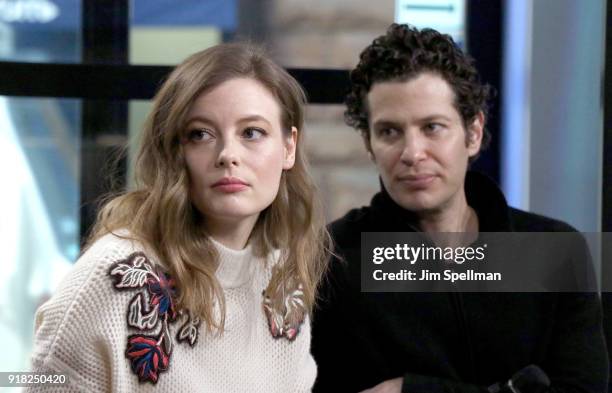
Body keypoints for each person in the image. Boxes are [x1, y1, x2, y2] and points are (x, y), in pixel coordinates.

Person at [311, 24, 608, 393]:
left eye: (432, 127)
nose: (412, 153)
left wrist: (411, 390)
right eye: (389, 132)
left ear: (473, 133)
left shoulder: (554, 252)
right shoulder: (333, 258)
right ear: (369, 144)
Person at [27, 42, 331, 392]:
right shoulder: (111, 275)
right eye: (200, 134)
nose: (228, 155)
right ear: (174, 151)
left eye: (252, 133)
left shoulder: (282, 274)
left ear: (289, 147)